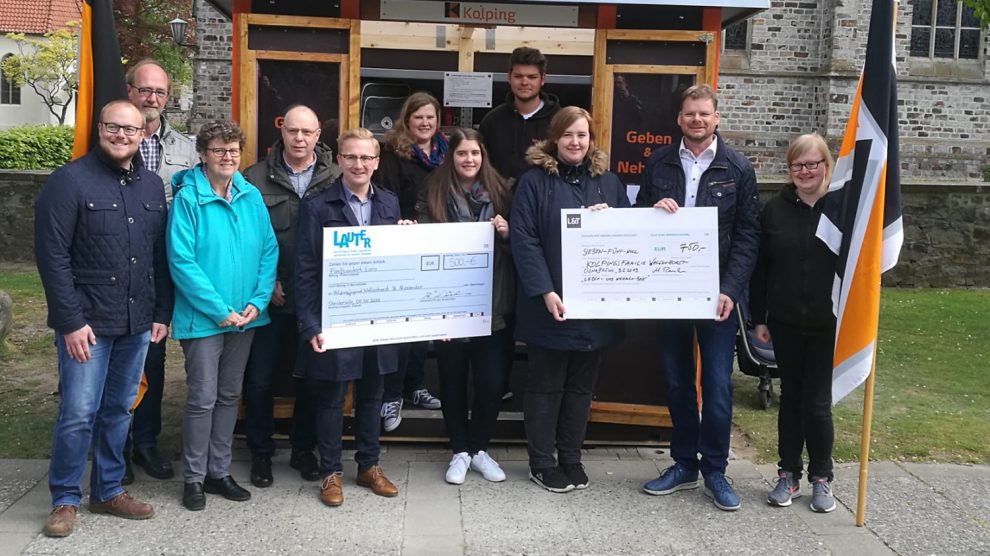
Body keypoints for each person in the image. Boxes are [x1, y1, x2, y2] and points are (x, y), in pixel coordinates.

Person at [34, 100, 172, 537]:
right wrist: (70, 322)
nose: (121, 135)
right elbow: (51, 257)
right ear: (100, 128)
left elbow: (158, 256)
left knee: (118, 410)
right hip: (87, 326)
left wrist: (161, 311)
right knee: (78, 412)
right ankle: (65, 499)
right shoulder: (68, 182)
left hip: (136, 322)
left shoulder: (151, 187)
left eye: (130, 130)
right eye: (114, 127)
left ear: (143, 136)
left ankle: (109, 489)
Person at [637, 84, 760, 511]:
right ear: (679, 119)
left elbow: (748, 235)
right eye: (690, 113)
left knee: (718, 385)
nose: (697, 120)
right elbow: (639, 223)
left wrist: (731, 289)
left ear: (716, 118)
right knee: (676, 382)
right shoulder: (658, 162)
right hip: (670, 292)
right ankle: (684, 464)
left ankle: (715, 470)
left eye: (704, 114)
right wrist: (654, 211)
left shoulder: (738, 168)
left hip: (716, 297)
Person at [511, 106, 628, 493]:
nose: (575, 142)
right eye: (568, 135)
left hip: (595, 308)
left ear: (591, 139)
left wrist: (610, 218)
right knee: (545, 386)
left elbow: (629, 234)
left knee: (581, 387)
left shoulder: (609, 184)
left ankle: (571, 457)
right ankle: (542, 462)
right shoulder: (533, 182)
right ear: (554, 139)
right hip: (550, 304)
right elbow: (524, 240)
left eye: (582, 135)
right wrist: (546, 290)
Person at [167, 120, 278, 511]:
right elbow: (180, 260)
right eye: (219, 150)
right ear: (202, 154)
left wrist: (258, 301)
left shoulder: (250, 196)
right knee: (202, 398)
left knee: (230, 395)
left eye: (233, 150)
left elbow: (269, 250)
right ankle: (194, 479)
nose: (227, 156)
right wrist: (219, 309)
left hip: (246, 318)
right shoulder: (187, 199)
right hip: (204, 320)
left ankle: (219, 471)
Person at [295, 127, 408, 507]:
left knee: (373, 396)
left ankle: (369, 466)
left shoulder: (390, 204)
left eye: (366, 158)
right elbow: (306, 269)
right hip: (336, 318)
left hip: (378, 319)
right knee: (331, 397)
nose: (359, 164)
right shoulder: (317, 206)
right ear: (339, 160)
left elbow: (397, 263)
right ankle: (330, 471)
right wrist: (310, 324)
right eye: (351, 157)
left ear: (376, 163)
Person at [242, 104, 342, 488]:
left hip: (318, 302)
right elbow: (247, 241)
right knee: (261, 381)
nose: (300, 139)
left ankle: (303, 450)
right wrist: (267, 284)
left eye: (308, 132)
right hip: (271, 298)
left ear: (319, 136)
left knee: (313, 380)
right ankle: (261, 454)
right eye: (293, 131)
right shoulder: (252, 178)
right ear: (281, 131)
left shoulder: (336, 177)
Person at [416, 128, 514, 485]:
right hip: (450, 307)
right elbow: (423, 247)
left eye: (475, 153)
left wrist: (507, 233)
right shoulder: (433, 191)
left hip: (494, 305)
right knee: (452, 381)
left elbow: (525, 244)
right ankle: (459, 449)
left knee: (490, 384)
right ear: (451, 157)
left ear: (483, 156)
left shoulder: (504, 191)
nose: (469, 159)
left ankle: (479, 449)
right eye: (462, 154)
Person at [750, 133, 838, 513]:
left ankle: (822, 477)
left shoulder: (842, 207)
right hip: (784, 322)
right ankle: (788, 474)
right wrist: (758, 319)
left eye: (812, 164)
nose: (804, 172)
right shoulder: (775, 209)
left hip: (828, 323)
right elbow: (761, 269)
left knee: (817, 405)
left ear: (825, 166)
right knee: (790, 400)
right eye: (797, 165)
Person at [123, 58, 199, 483]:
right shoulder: (114, 138)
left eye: (160, 92)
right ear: (130, 90)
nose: (152, 99)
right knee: (120, 361)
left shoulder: (186, 149)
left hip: (165, 266)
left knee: (153, 357)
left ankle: (146, 442)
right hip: (120, 263)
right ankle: (117, 444)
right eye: (144, 90)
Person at [374, 92, 444, 432]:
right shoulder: (392, 153)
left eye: (430, 117)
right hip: (402, 245)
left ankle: (416, 386)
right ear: (407, 119)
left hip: (437, 246)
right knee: (398, 329)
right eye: (419, 117)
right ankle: (391, 394)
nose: (425, 122)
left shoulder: (446, 152)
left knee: (423, 327)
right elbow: (383, 196)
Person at [479, 46, 561, 180]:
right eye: (518, 76)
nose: (524, 82)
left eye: (532, 77)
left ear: (542, 79)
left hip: (547, 199)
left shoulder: (560, 121)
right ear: (509, 78)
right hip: (500, 199)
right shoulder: (492, 121)